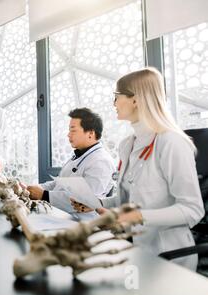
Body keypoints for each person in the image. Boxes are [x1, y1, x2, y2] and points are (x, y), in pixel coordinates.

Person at [73, 67, 204, 269]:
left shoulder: (171, 143)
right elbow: (126, 200)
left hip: (167, 257)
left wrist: (139, 217)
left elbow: (192, 209)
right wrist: (98, 203)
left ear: (135, 100)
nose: (113, 103)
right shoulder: (128, 144)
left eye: (117, 96)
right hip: (131, 250)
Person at [27, 107, 116, 217]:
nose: (68, 135)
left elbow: (86, 200)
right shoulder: (78, 155)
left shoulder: (101, 161)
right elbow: (58, 184)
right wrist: (33, 189)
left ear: (90, 133)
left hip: (83, 222)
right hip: (62, 216)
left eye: (73, 130)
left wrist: (44, 195)